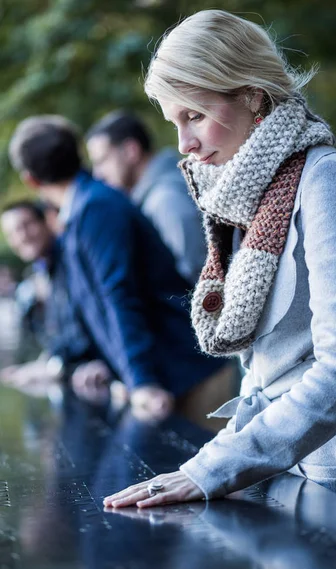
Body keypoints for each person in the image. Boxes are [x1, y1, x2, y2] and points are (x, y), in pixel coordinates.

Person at [104, 10, 336, 523]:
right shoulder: (250, 195)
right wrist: (221, 462)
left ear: (252, 95)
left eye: (194, 115)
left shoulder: (329, 182)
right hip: (275, 463)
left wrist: (211, 468)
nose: (184, 145)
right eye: (174, 122)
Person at [8, 115, 233, 428]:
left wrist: (141, 381)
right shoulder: (80, 214)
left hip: (188, 372)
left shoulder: (97, 208)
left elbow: (118, 294)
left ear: (31, 179)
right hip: (167, 375)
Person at [86, 111, 206, 285]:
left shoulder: (166, 200)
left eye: (102, 160)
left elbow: (192, 277)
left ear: (130, 151)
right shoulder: (155, 196)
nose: (97, 174)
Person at [0, 200, 101, 385]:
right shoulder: (43, 272)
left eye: (26, 226)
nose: (21, 237)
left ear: (46, 221)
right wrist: (44, 363)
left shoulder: (73, 262)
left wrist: (52, 368)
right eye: (12, 233)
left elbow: (88, 331)